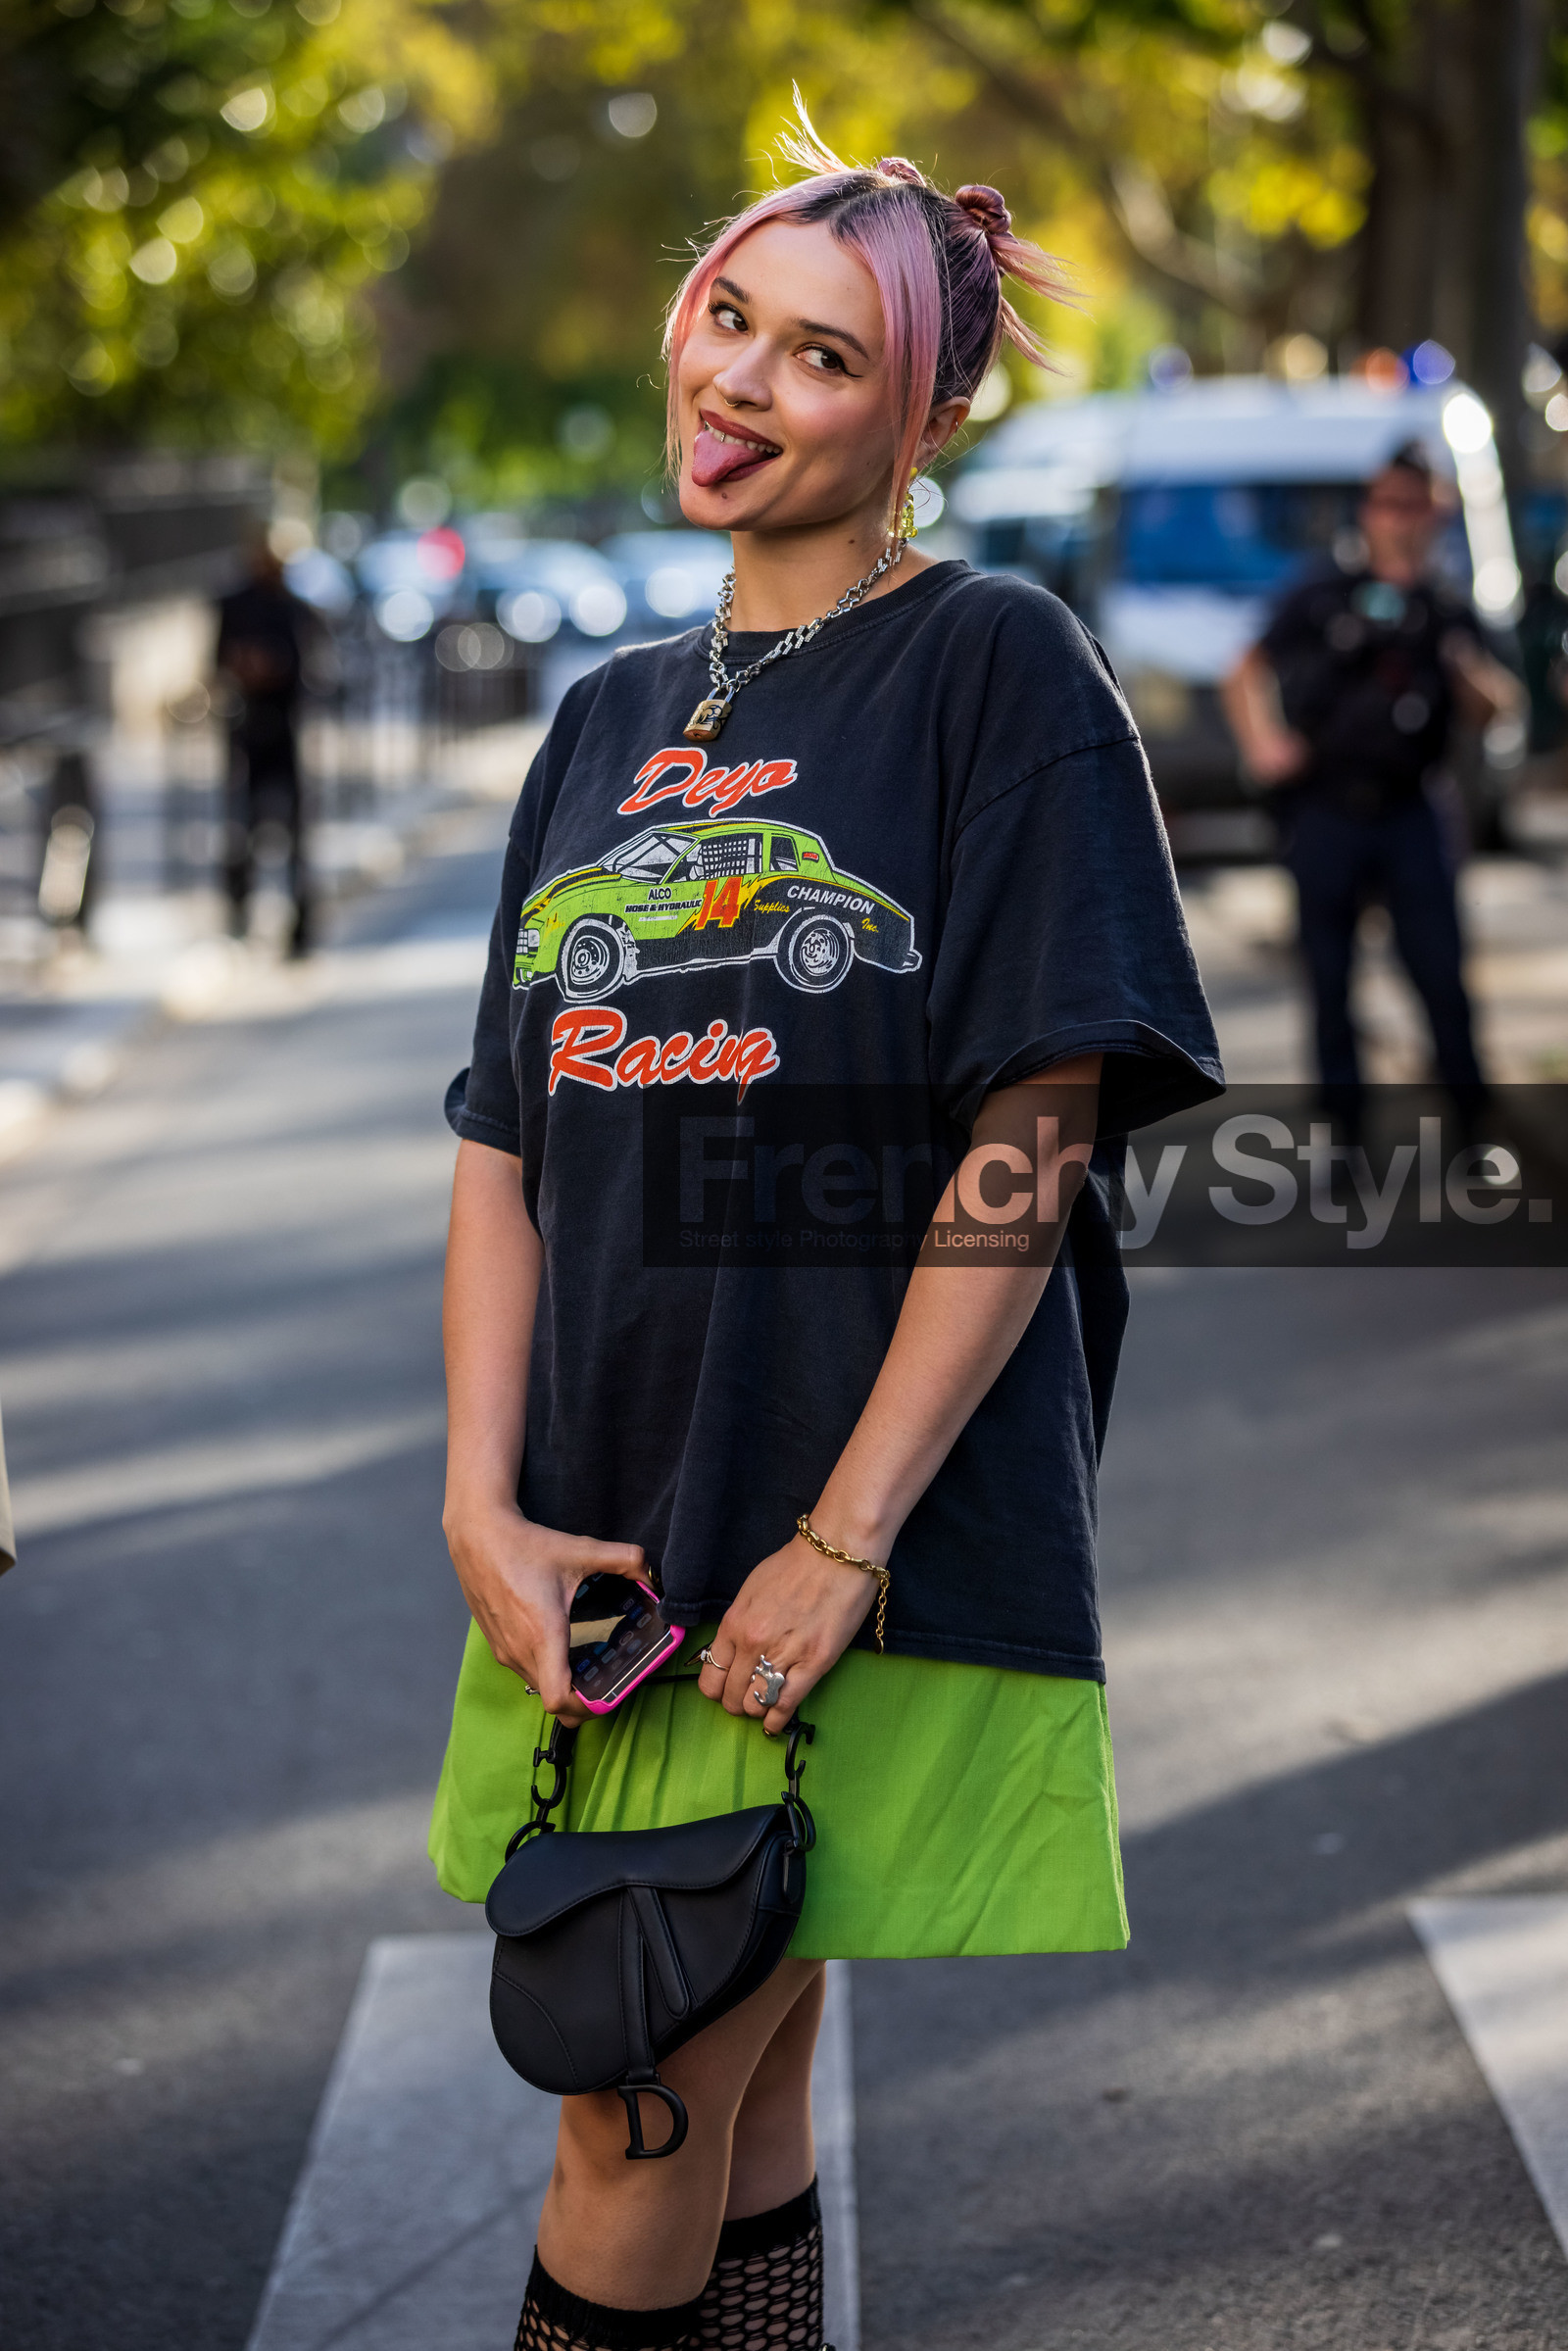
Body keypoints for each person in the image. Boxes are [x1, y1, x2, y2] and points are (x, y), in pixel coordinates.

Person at [434, 108, 1222, 2351]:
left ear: (919, 417)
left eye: (816, 356)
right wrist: (474, 1496)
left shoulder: (995, 666)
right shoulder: (595, 720)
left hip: (846, 1543)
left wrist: (844, 1534)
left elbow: (1029, 1124)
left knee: (631, 2105)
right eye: (726, 318)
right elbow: (505, 1131)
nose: (739, 380)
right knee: (730, 2089)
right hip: (597, 1536)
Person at [1221, 443, 1521, 1129]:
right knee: (1329, 979)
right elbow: (1243, 668)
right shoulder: (1322, 588)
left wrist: (1463, 669)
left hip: (1413, 806)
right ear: (1370, 509)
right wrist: (1266, 745)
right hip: (1327, 808)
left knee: (1440, 973)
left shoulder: (1447, 605)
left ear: (1437, 514)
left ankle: (1472, 1124)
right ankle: (1345, 1133)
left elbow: (1499, 705)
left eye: (1415, 505)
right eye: (1388, 503)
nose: (1400, 519)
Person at [215, 537, 317, 956]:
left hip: (283, 730)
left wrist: (271, 667)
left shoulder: (291, 607)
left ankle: (298, 926)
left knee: (291, 833)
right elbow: (220, 659)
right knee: (243, 828)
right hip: (244, 731)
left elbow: (303, 667)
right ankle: (239, 911)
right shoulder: (234, 604)